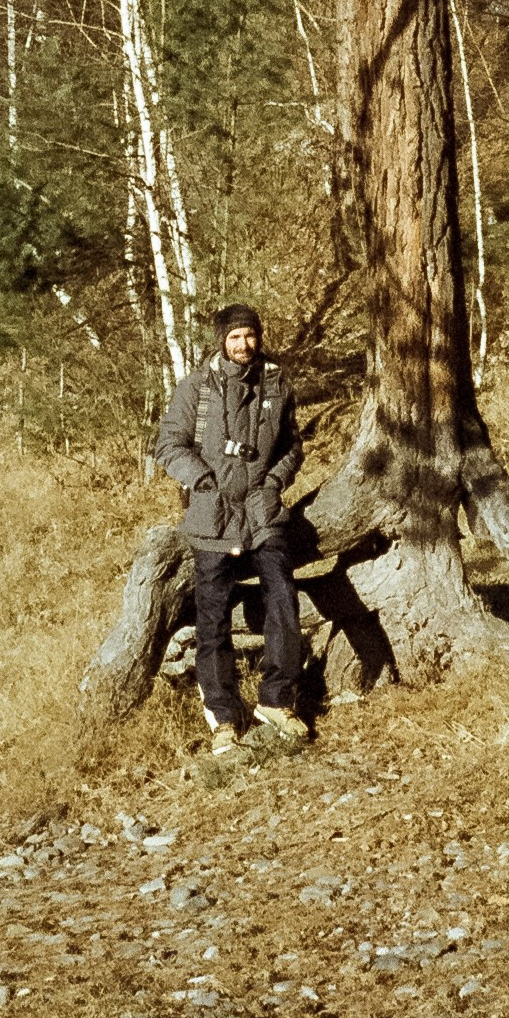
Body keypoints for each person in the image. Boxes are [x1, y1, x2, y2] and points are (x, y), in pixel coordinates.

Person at [155, 303, 304, 752]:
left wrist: (276, 481)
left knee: (283, 597)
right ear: (222, 341)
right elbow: (168, 444)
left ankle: (277, 701)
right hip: (212, 515)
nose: (244, 345)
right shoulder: (195, 389)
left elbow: (292, 446)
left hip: (262, 511)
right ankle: (222, 718)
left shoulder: (277, 385)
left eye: (250, 335)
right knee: (213, 617)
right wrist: (202, 481)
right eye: (235, 337)